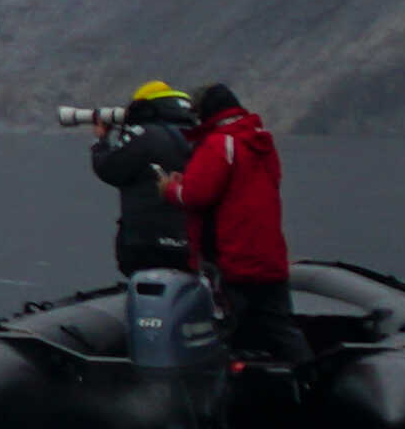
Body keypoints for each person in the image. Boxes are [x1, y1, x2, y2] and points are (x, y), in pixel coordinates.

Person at [164, 82, 297, 371]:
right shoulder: (262, 141)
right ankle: (311, 382)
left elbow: (196, 196)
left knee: (228, 332)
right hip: (269, 255)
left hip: (232, 256)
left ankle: (227, 397)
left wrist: (170, 188)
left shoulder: (220, 143)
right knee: (280, 327)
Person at [85, 80, 200, 275]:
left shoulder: (144, 133)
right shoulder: (200, 136)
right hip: (194, 246)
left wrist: (100, 140)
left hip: (146, 245)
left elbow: (108, 168)